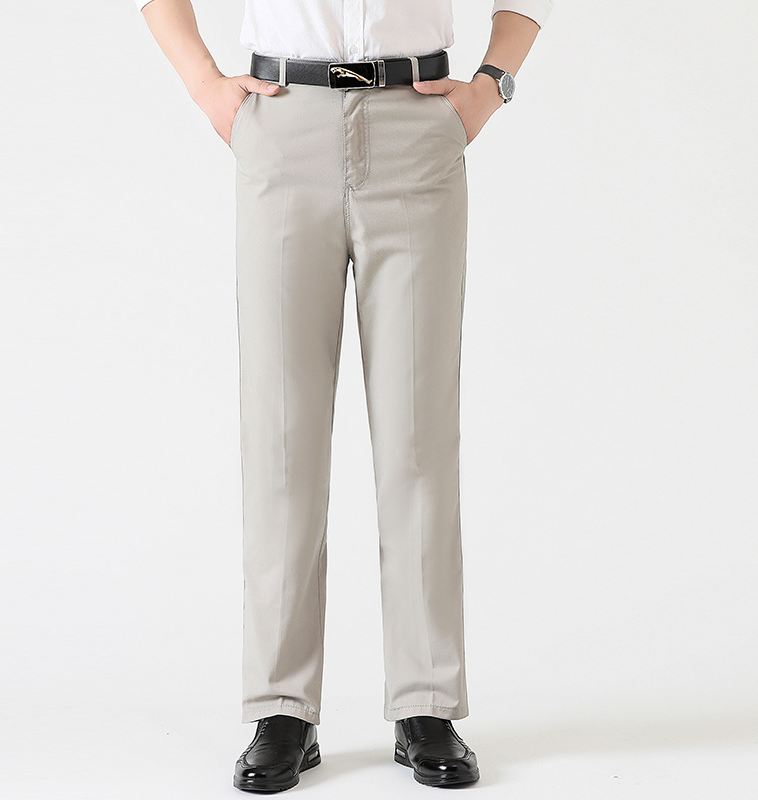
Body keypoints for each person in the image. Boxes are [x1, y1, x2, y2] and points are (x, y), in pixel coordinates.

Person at [134, 0, 552, 791]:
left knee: (419, 437)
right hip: (281, 123)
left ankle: (427, 702)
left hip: (416, 124)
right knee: (280, 438)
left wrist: (492, 83)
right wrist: (204, 84)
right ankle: (281, 707)